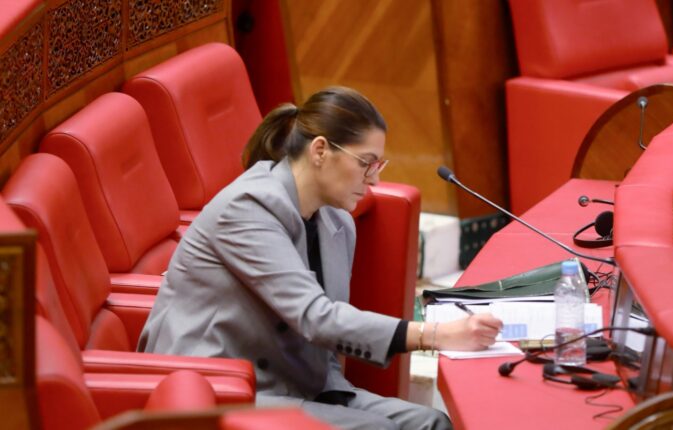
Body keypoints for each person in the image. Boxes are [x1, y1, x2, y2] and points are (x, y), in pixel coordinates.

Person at [137, 86, 503, 430]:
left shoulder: (337, 221)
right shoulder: (247, 207)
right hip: (220, 386)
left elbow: (324, 338)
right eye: (366, 163)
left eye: (379, 166)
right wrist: (434, 335)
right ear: (320, 151)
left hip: (298, 382)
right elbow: (316, 316)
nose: (373, 180)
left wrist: (338, 396)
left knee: (432, 423)